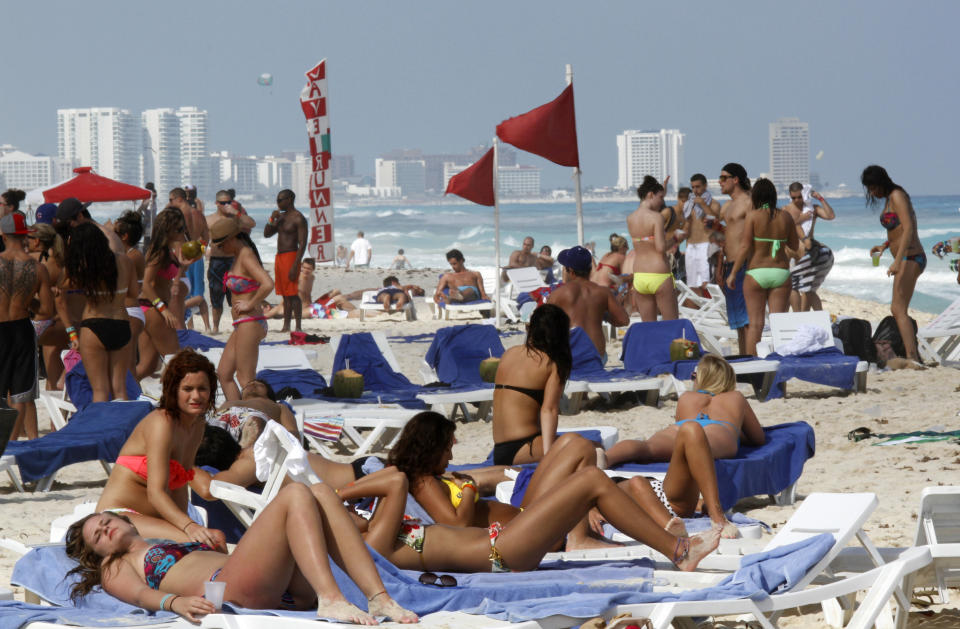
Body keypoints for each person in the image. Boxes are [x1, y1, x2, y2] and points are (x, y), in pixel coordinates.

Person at [67, 485, 418, 624]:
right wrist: (174, 603)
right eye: (97, 536)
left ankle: (379, 597)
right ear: (97, 553)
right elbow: (142, 594)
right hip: (229, 590)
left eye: (104, 521)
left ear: (120, 517)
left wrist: (208, 540)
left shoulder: (151, 539)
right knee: (295, 493)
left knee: (322, 492)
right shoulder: (116, 566)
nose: (103, 529)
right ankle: (330, 597)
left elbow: (193, 537)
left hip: (271, 583)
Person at [339, 464, 721, 575]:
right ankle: (679, 550)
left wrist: (340, 500)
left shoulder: (375, 535)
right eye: (343, 517)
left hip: (502, 543)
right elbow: (395, 478)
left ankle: (675, 546)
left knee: (585, 480)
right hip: (500, 553)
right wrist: (337, 495)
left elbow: (392, 472)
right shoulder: (373, 548)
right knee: (590, 480)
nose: (352, 514)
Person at [388, 411, 614, 551]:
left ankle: (580, 532)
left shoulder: (429, 478)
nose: (451, 457)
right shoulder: (423, 482)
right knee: (581, 448)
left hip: (525, 518)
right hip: (527, 534)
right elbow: (457, 525)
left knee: (571, 442)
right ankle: (577, 538)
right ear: (431, 449)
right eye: (447, 449)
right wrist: (468, 488)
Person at [604, 355, 765, 536]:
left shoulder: (687, 397)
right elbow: (758, 438)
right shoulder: (735, 397)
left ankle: (605, 457)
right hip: (718, 429)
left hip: (679, 428)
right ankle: (716, 514)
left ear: (700, 378)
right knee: (699, 445)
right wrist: (736, 430)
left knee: (647, 447)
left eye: (693, 376)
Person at [96, 350, 226, 544]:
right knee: (206, 543)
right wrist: (188, 526)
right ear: (173, 390)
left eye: (202, 388)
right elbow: (156, 493)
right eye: (188, 389)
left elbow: (180, 483)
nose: (196, 396)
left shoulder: (196, 426)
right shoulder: (162, 423)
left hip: (157, 519)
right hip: (119, 515)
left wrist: (184, 522)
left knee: (216, 539)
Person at [491, 304, 582, 464]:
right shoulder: (552, 363)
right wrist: (548, 456)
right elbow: (549, 410)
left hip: (499, 452)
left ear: (531, 328)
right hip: (525, 447)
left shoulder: (509, 353)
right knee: (585, 446)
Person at [57, 223, 138, 402]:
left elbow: (61, 291)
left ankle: (102, 429)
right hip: (121, 323)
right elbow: (133, 293)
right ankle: (120, 429)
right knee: (120, 389)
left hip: (93, 325)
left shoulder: (81, 268)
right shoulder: (125, 261)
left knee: (100, 391)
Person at [725, 178, 798, 356]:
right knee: (778, 324)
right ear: (773, 196)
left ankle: (753, 370)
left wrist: (733, 273)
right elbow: (794, 246)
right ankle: (779, 368)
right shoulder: (786, 216)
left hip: (756, 273)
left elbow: (744, 247)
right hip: (780, 273)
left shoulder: (753, 216)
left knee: (755, 325)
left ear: (756, 196)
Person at [1, 212, 54, 440]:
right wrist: (27, 300)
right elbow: (46, 311)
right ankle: (11, 444)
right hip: (22, 328)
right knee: (22, 393)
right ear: (24, 236)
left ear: (2, 235)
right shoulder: (38, 268)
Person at [865, 165, 926, 362]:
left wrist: (897, 262)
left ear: (882, 182)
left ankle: (912, 357)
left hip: (911, 257)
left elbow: (908, 229)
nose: (872, 192)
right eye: (870, 188)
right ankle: (913, 355)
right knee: (898, 308)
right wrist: (884, 246)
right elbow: (896, 231)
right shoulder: (889, 199)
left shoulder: (897, 195)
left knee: (898, 309)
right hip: (905, 257)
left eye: (873, 187)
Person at [212, 218, 274, 401]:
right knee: (223, 374)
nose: (220, 249)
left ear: (231, 239)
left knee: (246, 379)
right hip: (242, 323)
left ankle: (255, 418)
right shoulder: (238, 256)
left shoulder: (245, 254)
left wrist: (251, 303)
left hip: (251, 321)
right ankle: (236, 415)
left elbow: (268, 283)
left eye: (221, 245)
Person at [548, 245, 629, 357]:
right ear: (590, 268)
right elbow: (623, 321)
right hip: (596, 358)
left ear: (570, 271)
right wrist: (604, 315)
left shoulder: (558, 294)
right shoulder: (603, 292)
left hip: (569, 359)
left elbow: (546, 327)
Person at [136, 209, 187, 380]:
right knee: (176, 362)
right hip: (154, 309)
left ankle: (120, 394)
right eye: (179, 229)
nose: (183, 232)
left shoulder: (165, 250)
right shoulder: (158, 252)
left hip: (149, 309)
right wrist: (163, 309)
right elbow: (147, 284)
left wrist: (182, 265)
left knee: (147, 366)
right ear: (168, 230)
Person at [625, 176, 679, 322]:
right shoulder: (656, 217)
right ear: (650, 195)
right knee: (671, 325)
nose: (662, 201)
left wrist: (663, 188)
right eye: (660, 197)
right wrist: (675, 239)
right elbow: (660, 247)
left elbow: (644, 243)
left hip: (640, 275)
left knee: (649, 327)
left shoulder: (631, 218)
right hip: (658, 274)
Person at [205, 190, 255, 334]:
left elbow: (251, 223)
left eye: (229, 202)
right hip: (216, 261)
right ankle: (215, 326)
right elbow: (202, 239)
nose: (226, 205)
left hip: (233, 260)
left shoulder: (235, 218)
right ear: (216, 203)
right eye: (223, 203)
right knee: (216, 295)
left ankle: (237, 325)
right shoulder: (209, 220)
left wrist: (236, 212)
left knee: (235, 296)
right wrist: (203, 250)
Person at [715, 164, 752, 355]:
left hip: (744, 265)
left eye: (723, 178)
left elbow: (758, 233)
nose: (719, 182)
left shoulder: (748, 202)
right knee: (737, 321)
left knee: (746, 320)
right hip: (730, 266)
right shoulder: (727, 206)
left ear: (735, 179)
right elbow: (729, 238)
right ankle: (745, 357)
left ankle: (752, 361)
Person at [26, 222, 68, 392]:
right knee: (56, 374)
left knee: (52, 375)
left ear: (37, 241)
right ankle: (56, 418)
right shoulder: (60, 259)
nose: (25, 240)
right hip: (61, 321)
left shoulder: (42, 263)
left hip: (44, 322)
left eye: (28, 237)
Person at [784, 183, 836, 312]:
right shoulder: (786, 209)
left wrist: (820, 198)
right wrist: (800, 218)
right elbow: (784, 226)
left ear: (804, 195)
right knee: (790, 285)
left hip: (807, 250)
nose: (796, 200)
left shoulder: (812, 209)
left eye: (799, 197)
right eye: (793, 198)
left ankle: (805, 315)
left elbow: (830, 216)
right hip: (791, 251)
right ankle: (797, 315)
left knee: (807, 289)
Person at [264, 189, 307, 332]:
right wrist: (272, 219)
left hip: (291, 256)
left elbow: (302, 243)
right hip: (279, 257)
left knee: (293, 293)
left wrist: (296, 264)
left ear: (289, 199)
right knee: (285, 295)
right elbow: (266, 234)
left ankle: (299, 326)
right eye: (277, 200)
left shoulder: (298, 218)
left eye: (280, 200)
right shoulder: (280, 217)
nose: (278, 203)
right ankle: (286, 325)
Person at [169, 187, 210, 332]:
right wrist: (199, 252)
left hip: (181, 258)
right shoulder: (199, 215)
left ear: (179, 199)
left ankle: (186, 327)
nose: (169, 203)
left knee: (180, 293)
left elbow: (174, 239)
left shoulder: (178, 216)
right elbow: (206, 238)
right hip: (196, 257)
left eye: (170, 200)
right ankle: (205, 327)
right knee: (198, 292)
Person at [683, 174, 722, 296]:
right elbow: (684, 224)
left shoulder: (714, 204)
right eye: (693, 187)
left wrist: (704, 205)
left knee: (707, 283)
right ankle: (700, 309)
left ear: (705, 186)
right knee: (692, 284)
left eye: (698, 187)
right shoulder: (689, 205)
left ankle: (710, 308)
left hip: (705, 245)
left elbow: (715, 220)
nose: (695, 190)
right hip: (690, 246)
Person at [53, 197, 125, 255]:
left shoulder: (108, 239)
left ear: (80, 216)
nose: (70, 230)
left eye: (69, 225)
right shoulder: (86, 238)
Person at [663, 189, 689, 283]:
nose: (686, 205)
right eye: (683, 202)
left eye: (688, 203)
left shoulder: (686, 216)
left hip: (676, 254)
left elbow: (683, 236)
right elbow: (653, 229)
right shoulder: (668, 212)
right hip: (663, 253)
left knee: (678, 284)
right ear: (678, 199)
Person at [136, 182, 158, 249]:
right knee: (148, 242)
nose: (155, 196)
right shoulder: (150, 201)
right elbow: (139, 210)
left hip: (150, 224)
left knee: (148, 242)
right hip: (150, 224)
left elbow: (139, 210)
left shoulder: (150, 201)